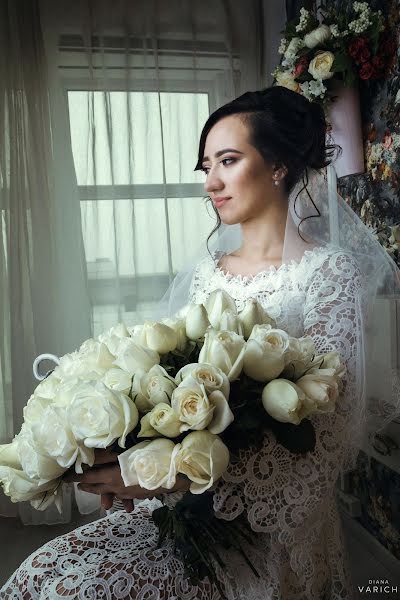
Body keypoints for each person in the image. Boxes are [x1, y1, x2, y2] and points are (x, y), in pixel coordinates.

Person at [2, 86, 399, 600]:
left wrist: (171, 477)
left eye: (228, 161)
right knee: (44, 573)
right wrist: (131, 450)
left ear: (278, 164)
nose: (211, 182)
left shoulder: (329, 275)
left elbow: (329, 440)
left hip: (270, 522)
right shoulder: (207, 276)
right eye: (206, 165)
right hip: (182, 501)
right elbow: (167, 383)